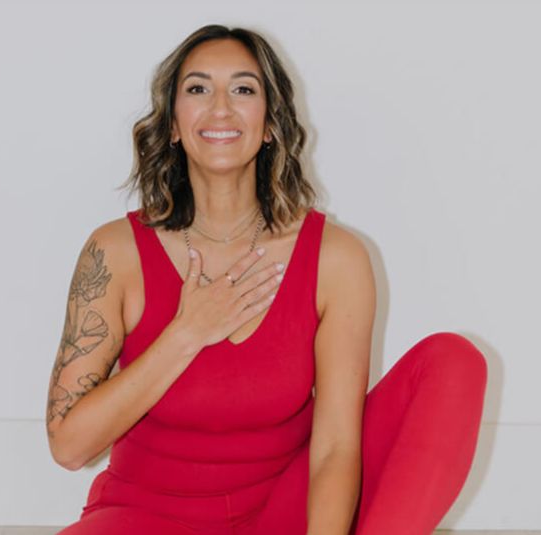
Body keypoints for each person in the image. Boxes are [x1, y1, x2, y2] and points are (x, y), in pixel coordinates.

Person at [46, 24, 487, 535]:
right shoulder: (115, 253)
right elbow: (69, 446)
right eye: (198, 88)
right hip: (144, 517)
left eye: (243, 89)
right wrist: (187, 333)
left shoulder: (335, 259)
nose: (220, 108)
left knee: (453, 360)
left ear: (271, 122)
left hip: (283, 515)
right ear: (172, 124)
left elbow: (336, 448)